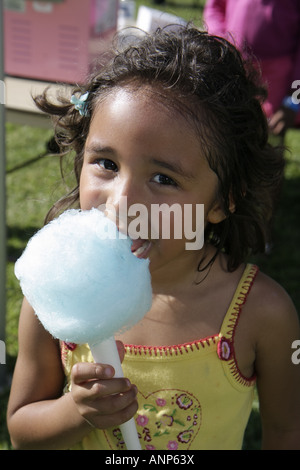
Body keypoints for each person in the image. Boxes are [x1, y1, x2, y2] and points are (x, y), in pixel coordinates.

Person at [7, 25, 300, 450]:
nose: (122, 202)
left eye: (164, 178)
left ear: (223, 201)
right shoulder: (49, 298)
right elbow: (21, 433)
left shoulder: (262, 314)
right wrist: (77, 411)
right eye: (106, 163)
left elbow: (287, 430)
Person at [203, 0, 300, 137]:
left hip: (278, 75)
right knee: (226, 130)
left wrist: (293, 102)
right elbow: (214, 8)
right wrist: (221, 44)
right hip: (233, 66)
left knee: (265, 136)